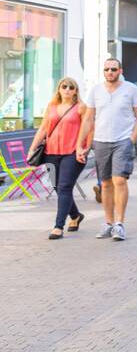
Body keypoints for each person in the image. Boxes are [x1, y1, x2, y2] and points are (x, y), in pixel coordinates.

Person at [76, 57, 137, 241]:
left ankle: (119, 224)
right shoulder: (96, 90)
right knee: (105, 184)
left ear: (120, 71)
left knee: (119, 180)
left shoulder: (131, 89)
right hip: (101, 141)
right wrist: (80, 144)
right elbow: (88, 119)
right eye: (106, 69)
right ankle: (108, 222)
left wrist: (132, 139)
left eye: (113, 69)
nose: (110, 72)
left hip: (123, 140)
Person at [27, 77, 87, 239]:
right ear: (59, 89)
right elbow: (43, 129)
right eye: (64, 86)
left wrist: (83, 149)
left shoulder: (81, 108)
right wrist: (32, 149)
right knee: (57, 187)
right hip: (51, 152)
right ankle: (75, 215)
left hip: (72, 153)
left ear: (76, 91)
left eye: (71, 87)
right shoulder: (52, 106)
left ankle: (58, 226)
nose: (67, 89)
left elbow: (89, 129)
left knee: (65, 187)